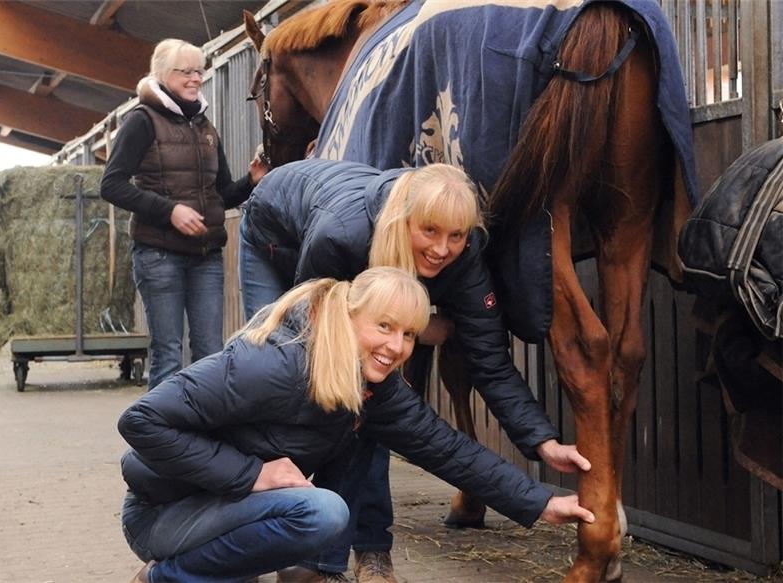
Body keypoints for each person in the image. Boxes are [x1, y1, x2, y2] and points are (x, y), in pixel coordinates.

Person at [119, 267, 594, 583]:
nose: (398, 345)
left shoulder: (370, 384)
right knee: (322, 513)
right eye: (384, 326)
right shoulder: (275, 364)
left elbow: (445, 448)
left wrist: (539, 500)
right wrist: (254, 475)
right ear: (348, 317)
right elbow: (142, 420)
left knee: (318, 511)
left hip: (224, 509)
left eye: (410, 334)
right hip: (162, 511)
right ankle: (164, 579)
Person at [239, 159, 591, 583]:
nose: (442, 248)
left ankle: (340, 559)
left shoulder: (464, 259)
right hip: (276, 238)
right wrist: (416, 329)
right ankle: (249, 541)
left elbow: (490, 361)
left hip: (362, 259)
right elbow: (316, 338)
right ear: (405, 220)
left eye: (456, 235)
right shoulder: (341, 236)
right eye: (431, 231)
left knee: (367, 399)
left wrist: (542, 440)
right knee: (302, 378)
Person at [101, 38, 268, 389]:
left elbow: (220, 195)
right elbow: (112, 185)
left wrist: (251, 181)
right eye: (186, 72)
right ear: (162, 74)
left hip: (205, 255)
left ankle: (202, 435)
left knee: (209, 352)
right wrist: (170, 211)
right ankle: (157, 439)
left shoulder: (205, 127)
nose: (195, 79)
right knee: (168, 352)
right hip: (159, 254)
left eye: (199, 71)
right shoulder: (141, 121)